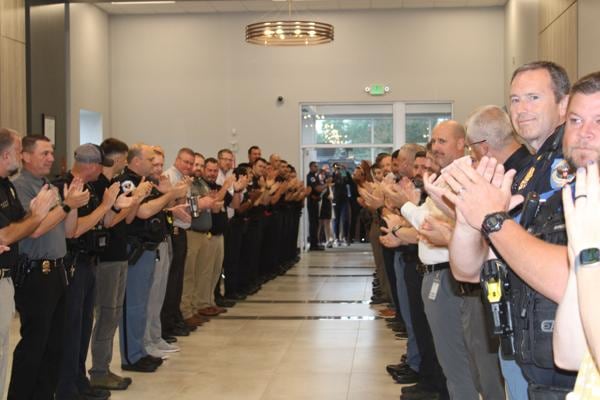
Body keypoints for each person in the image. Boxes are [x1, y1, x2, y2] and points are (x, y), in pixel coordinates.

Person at [446, 61, 576, 399]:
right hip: (530, 351)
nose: (522, 109)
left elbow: (570, 276)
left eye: (533, 97)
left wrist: (492, 219)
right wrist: (466, 217)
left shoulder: (578, 166)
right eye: (515, 100)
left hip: (568, 363)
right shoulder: (527, 173)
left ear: (563, 104)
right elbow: (469, 270)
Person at [118, 144, 188, 373]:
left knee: (146, 303)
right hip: (136, 249)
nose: (154, 164)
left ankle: (141, 350)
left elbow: (161, 207)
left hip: (150, 247)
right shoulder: (127, 182)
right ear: (137, 161)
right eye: (150, 159)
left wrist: (169, 193)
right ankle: (131, 357)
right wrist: (170, 194)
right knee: (135, 305)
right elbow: (143, 211)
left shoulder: (146, 182)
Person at [551, 71, 600, 398]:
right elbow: (568, 355)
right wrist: (579, 258)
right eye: (576, 120)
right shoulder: (586, 212)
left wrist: (589, 257)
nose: (585, 133)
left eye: (599, 121)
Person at [89, 138, 148, 391]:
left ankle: (104, 367)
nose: (125, 163)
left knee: (113, 313)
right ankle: (99, 370)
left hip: (119, 254)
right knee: (106, 313)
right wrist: (134, 199)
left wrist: (133, 200)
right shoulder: (102, 185)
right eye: (124, 158)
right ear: (116, 158)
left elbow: (123, 219)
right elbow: (110, 221)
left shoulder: (112, 183)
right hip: (106, 258)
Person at [0, 130, 54, 400]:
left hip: (7, 276)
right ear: (8, 153)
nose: (21, 154)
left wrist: (34, 216)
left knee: (4, 348)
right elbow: (13, 232)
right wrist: (40, 214)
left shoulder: (7, 185)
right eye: (20, 148)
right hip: (19, 274)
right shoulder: (17, 183)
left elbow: (17, 228)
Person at [161, 148, 196, 339]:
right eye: (186, 162)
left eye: (191, 163)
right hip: (172, 232)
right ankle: (167, 323)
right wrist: (181, 192)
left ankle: (174, 318)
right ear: (177, 159)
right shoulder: (169, 177)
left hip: (182, 231)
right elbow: (172, 206)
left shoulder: (184, 179)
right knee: (171, 282)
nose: (189, 166)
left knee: (177, 281)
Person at [306, 161, 324, 251]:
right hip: (312, 202)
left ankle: (315, 243)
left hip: (316, 201)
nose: (316, 168)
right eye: (314, 166)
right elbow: (318, 188)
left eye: (317, 166)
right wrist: (326, 185)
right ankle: (313, 244)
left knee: (316, 223)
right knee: (313, 223)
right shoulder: (311, 177)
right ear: (310, 167)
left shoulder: (315, 177)